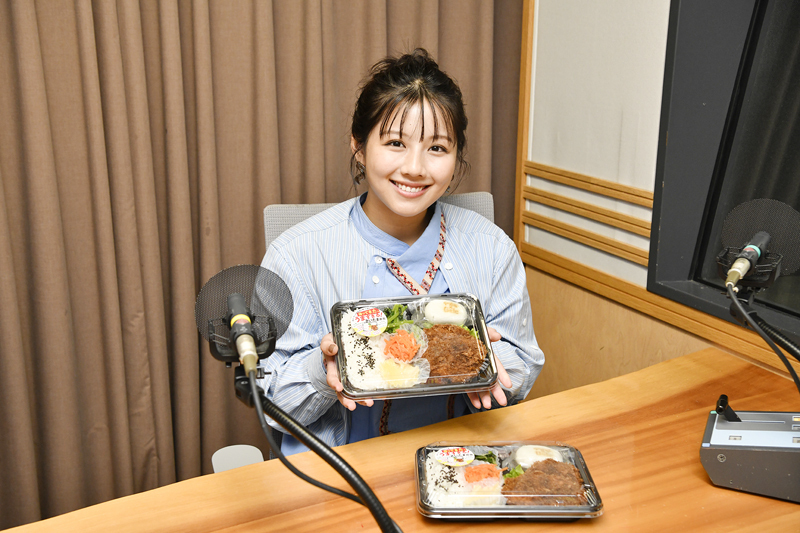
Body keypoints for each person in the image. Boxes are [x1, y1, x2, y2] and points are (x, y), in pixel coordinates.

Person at [258, 49, 544, 455]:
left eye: (437, 148)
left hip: (460, 464)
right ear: (359, 145)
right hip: (341, 471)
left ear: (456, 155)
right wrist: (324, 372)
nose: (415, 168)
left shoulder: (492, 247)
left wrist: (486, 362)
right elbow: (269, 400)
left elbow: (524, 361)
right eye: (395, 142)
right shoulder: (296, 254)